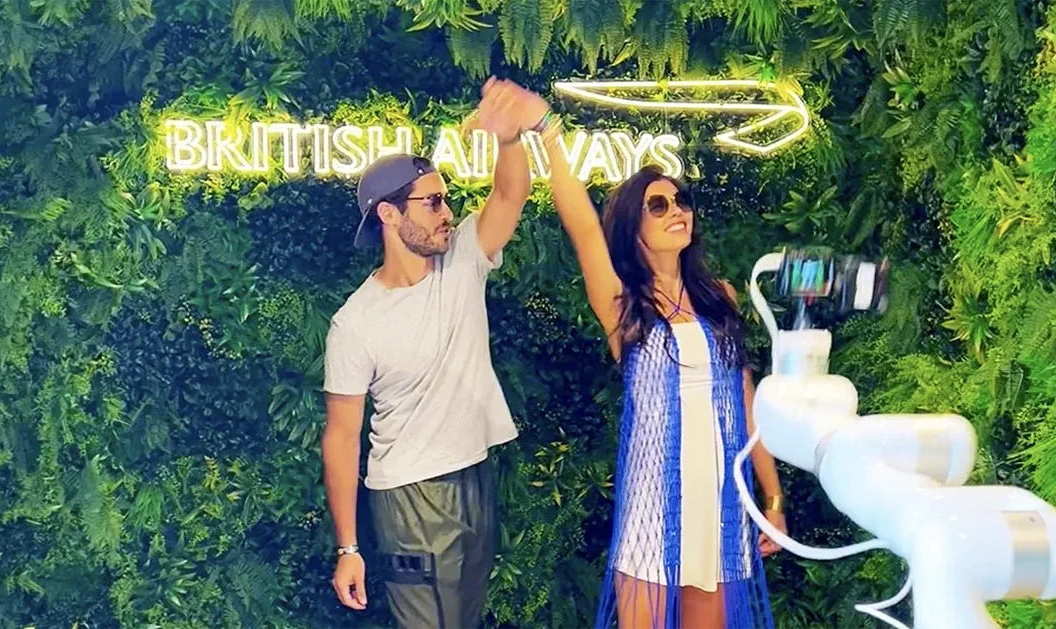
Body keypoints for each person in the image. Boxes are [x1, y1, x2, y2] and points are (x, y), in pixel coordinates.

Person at [535, 113, 789, 628]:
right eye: (659, 205)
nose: (677, 211)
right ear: (635, 228)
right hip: (654, 503)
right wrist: (547, 134)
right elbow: (583, 230)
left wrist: (774, 496)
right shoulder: (623, 305)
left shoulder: (721, 297)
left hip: (718, 500)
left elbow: (746, 400)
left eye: (681, 201)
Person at [321, 78, 552, 629]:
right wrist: (348, 549)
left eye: (446, 199)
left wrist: (510, 139)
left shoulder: (463, 259)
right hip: (411, 495)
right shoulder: (356, 323)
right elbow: (341, 436)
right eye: (433, 202)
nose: (448, 212)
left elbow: (509, 196)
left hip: (474, 474)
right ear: (389, 216)